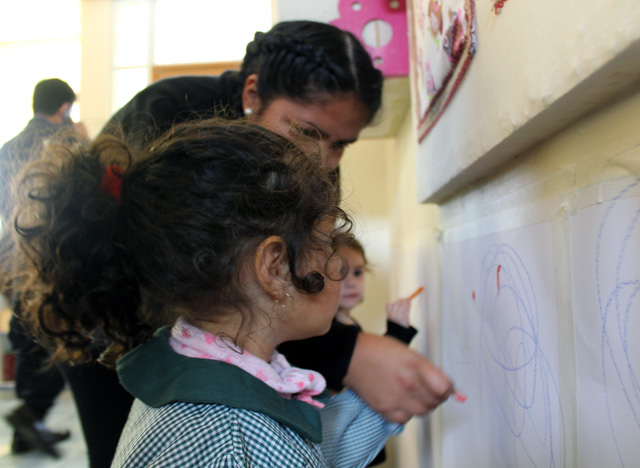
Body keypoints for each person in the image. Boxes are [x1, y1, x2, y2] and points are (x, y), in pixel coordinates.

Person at [59, 20, 453, 467]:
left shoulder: (306, 170)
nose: (323, 159)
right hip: (108, 316)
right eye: (308, 132)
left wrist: (363, 392)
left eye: (342, 144)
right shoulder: (170, 117)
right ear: (252, 94)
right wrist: (349, 353)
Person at [12, 118, 404, 467]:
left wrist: (386, 400)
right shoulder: (237, 445)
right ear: (274, 266)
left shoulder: (194, 372)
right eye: (326, 243)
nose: (337, 265)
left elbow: (309, 448)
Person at [0, 78, 87, 458]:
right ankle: (31, 412)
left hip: (11, 256)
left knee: (26, 335)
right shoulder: (65, 142)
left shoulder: (8, 147)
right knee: (59, 336)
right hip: (51, 256)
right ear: (65, 108)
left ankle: (28, 425)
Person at [334, 232, 420, 466]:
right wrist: (397, 332)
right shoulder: (326, 333)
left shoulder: (350, 324)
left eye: (358, 272)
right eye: (339, 274)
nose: (351, 283)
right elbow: (375, 373)